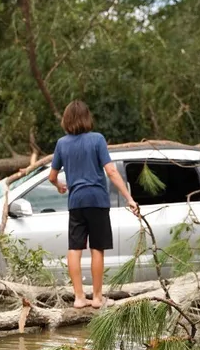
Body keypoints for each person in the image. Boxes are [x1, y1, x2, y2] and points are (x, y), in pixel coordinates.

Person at [48, 100, 139, 309]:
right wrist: (129, 198)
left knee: (75, 247)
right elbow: (112, 171)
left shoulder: (62, 144)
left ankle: (79, 297)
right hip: (97, 200)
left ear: (66, 120)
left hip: (76, 202)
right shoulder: (97, 140)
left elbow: (52, 176)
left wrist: (60, 186)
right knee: (97, 248)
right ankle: (97, 298)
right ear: (87, 118)